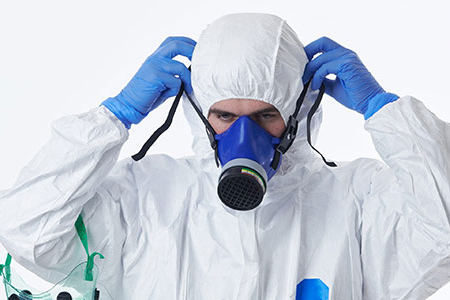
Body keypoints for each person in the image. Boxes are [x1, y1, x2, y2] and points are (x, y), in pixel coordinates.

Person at [1, 12, 449, 300]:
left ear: (299, 110)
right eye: (224, 114)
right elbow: (26, 231)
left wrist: (385, 111)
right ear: (200, 111)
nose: (243, 136)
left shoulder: (357, 202)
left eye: (267, 114)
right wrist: (114, 116)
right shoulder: (143, 199)